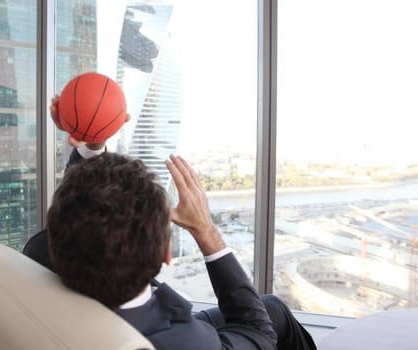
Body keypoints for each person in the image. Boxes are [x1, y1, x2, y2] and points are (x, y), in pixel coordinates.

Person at [46, 152, 317, 350]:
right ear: (167, 253)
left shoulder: (39, 259)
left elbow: (79, 207)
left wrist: (90, 145)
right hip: (157, 327)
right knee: (268, 315)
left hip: (133, 319)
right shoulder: (190, 344)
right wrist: (206, 230)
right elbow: (257, 332)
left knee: (273, 307)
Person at [22, 94, 130, 269]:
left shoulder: (39, 254)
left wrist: (93, 145)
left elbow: (74, 210)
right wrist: (193, 227)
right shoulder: (154, 291)